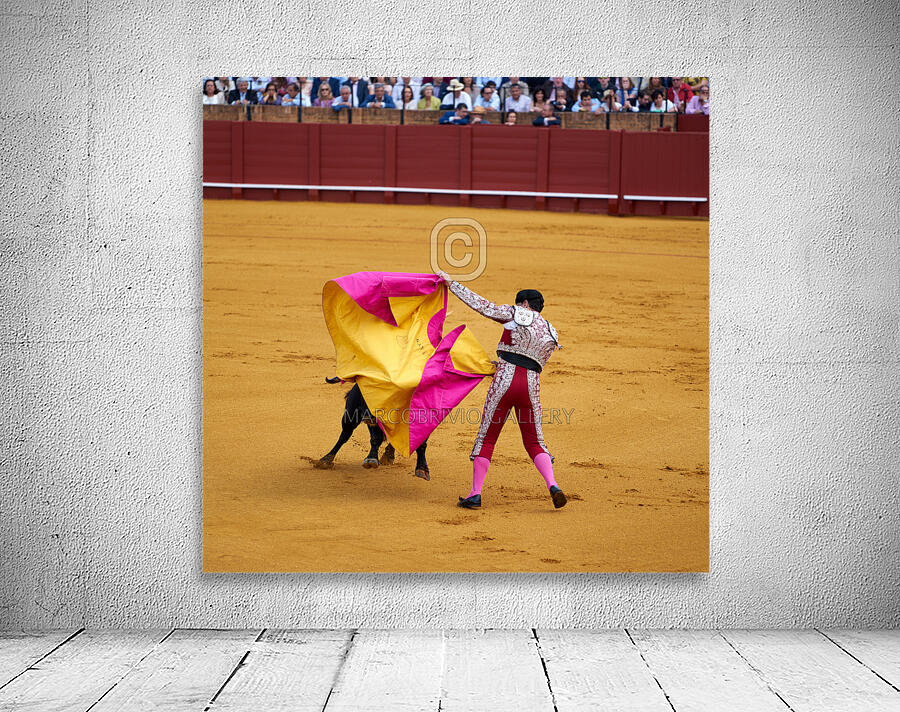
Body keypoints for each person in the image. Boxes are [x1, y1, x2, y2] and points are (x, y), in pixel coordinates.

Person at [436, 273, 566, 510]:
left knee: (487, 438)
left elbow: (483, 306)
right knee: (535, 441)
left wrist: (452, 284)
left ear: (524, 304)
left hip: (504, 383)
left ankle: (475, 493)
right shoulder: (551, 331)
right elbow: (531, 362)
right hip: (531, 388)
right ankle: (553, 485)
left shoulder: (517, 313)